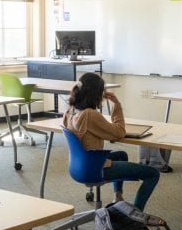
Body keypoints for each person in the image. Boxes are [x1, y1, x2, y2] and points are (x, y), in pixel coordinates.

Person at [62, 72, 159, 211]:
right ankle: (136, 214)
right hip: (95, 168)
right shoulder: (90, 114)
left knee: (121, 155)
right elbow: (119, 133)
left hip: (78, 166)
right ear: (96, 93)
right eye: (102, 91)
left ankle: (117, 197)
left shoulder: (70, 111)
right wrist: (117, 105)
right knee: (152, 174)